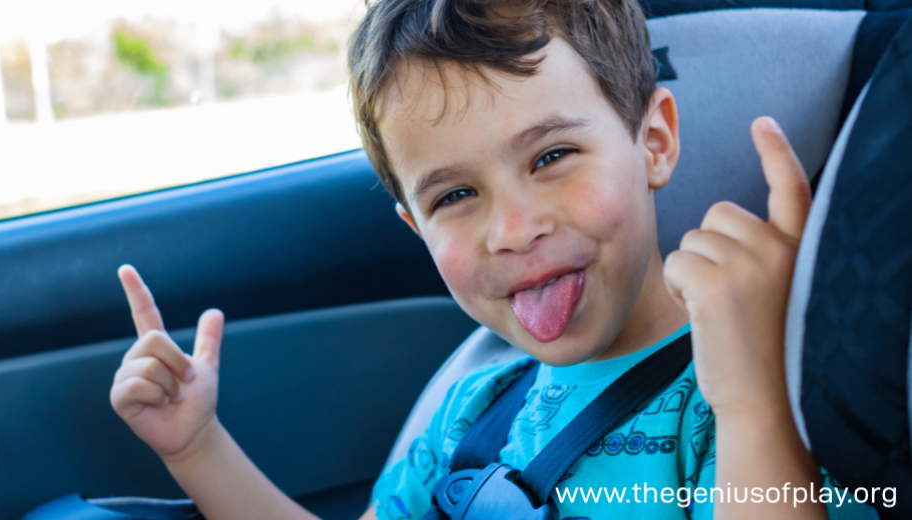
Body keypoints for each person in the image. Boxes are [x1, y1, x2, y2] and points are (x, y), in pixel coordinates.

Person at [108, 0, 879, 518]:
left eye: (550, 156)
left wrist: (751, 401)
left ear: (654, 141)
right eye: (454, 196)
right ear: (414, 226)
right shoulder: (473, 413)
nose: (511, 229)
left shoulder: (737, 398)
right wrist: (198, 446)